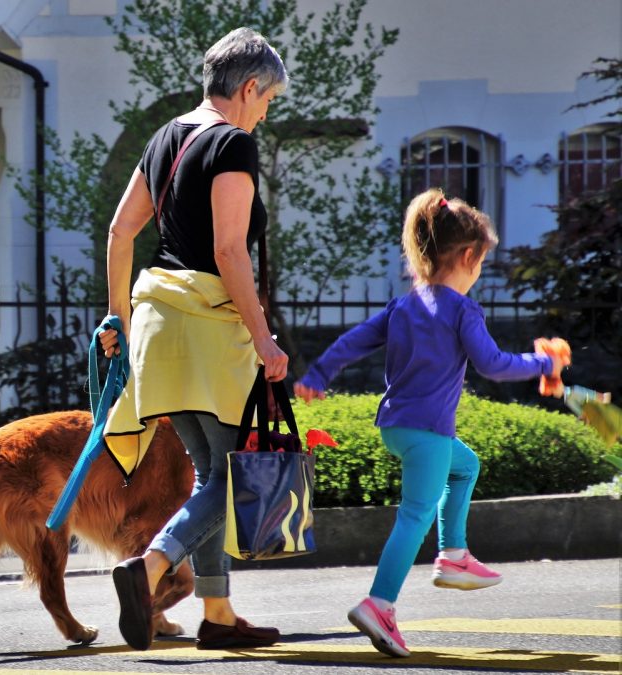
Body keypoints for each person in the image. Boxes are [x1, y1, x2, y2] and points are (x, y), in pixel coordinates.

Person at [293, 188, 570, 658]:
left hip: (396, 428)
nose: (479, 270)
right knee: (415, 515)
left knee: (465, 466)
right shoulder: (462, 309)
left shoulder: (404, 305)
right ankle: (379, 604)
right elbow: (493, 364)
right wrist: (543, 364)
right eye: (481, 261)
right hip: (428, 433)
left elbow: (354, 340)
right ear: (467, 256)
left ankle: (454, 555)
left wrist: (318, 374)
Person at [95, 27, 289, 651]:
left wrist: (118, 321)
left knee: (211, 474)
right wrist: (264, 339)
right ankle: (149, 569)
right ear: (249, 86)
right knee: (233, 478)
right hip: (209, 325)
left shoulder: (165, 138)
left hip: (157, 324)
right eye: (268, 99)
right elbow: (229, 250)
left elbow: (121, 232)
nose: (265, 112)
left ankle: (220, 617)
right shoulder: (232, 144)